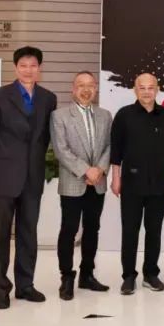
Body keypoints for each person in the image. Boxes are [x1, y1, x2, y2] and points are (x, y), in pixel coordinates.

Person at [0, 46, 57, 309]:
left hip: (32, 177)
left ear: (39, 68)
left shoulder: (48, 98)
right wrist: (2, 164)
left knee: (28, 233)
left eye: (33, 65)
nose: (28, 70)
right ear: (15, 68)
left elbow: (45, 137)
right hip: (2, 177)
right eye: (23, 65)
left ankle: (25, 285)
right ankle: (0, 289)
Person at [109, 73, 164, 295]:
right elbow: (116, 150)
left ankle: (151, 274)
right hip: (131, 183)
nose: (147, 92)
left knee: (154, 231)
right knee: (130, 231)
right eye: (142, 88)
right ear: (135, 90)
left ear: (157, 89)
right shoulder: (124, 115)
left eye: (150, 87)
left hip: (159, 184)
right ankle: (128, 276)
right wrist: (116, 177)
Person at [50, 71, 112, 300]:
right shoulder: (59, 116)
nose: (86, 90)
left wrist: (99, 170)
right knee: (69, 230)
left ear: (96, 88)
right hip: (73, 181)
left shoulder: (105, 115)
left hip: (97, 183)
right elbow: (61, 150)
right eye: (81, 85)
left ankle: (87, 275)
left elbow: (110, 146)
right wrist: (86, 170)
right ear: (73, 89)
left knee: (92, 229)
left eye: (90, 85)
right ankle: (67, 277)